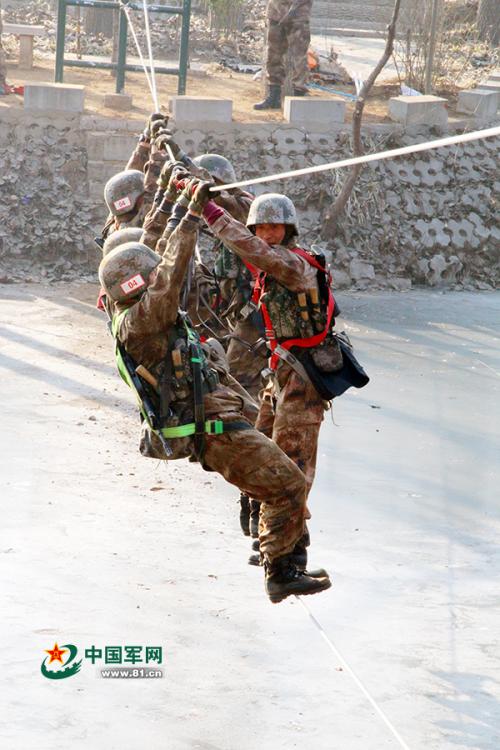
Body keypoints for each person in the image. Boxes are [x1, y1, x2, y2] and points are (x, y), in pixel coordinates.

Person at [98, 179, 331, 604]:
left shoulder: (129, 313)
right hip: (213, 428)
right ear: (135, 283)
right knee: (290, 485)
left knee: (277, 478)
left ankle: (281, 555)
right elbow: (168, 276)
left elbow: (161, 265)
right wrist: (192, 216)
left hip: (219, 415)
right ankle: (280, 572)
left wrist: (179, 203)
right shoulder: (145, 319)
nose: (155, 277)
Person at [199, 191, 339, 572]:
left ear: (288, 229)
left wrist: (211, 212)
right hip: (278, 375)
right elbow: (249, 250)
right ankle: (267, 536)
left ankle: (286, 558)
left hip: (303, 379)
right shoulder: (269, 263)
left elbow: (252, 250)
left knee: (293, 466)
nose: (268, 234)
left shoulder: (293, 265)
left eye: (275, 226)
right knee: (260, 446)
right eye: (261, 227)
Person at [255, 0, 313, 110]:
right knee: (273, 55)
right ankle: (274, 97)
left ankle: (299, 97)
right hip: (276, 12)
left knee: (299, 57)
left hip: (298, 13)